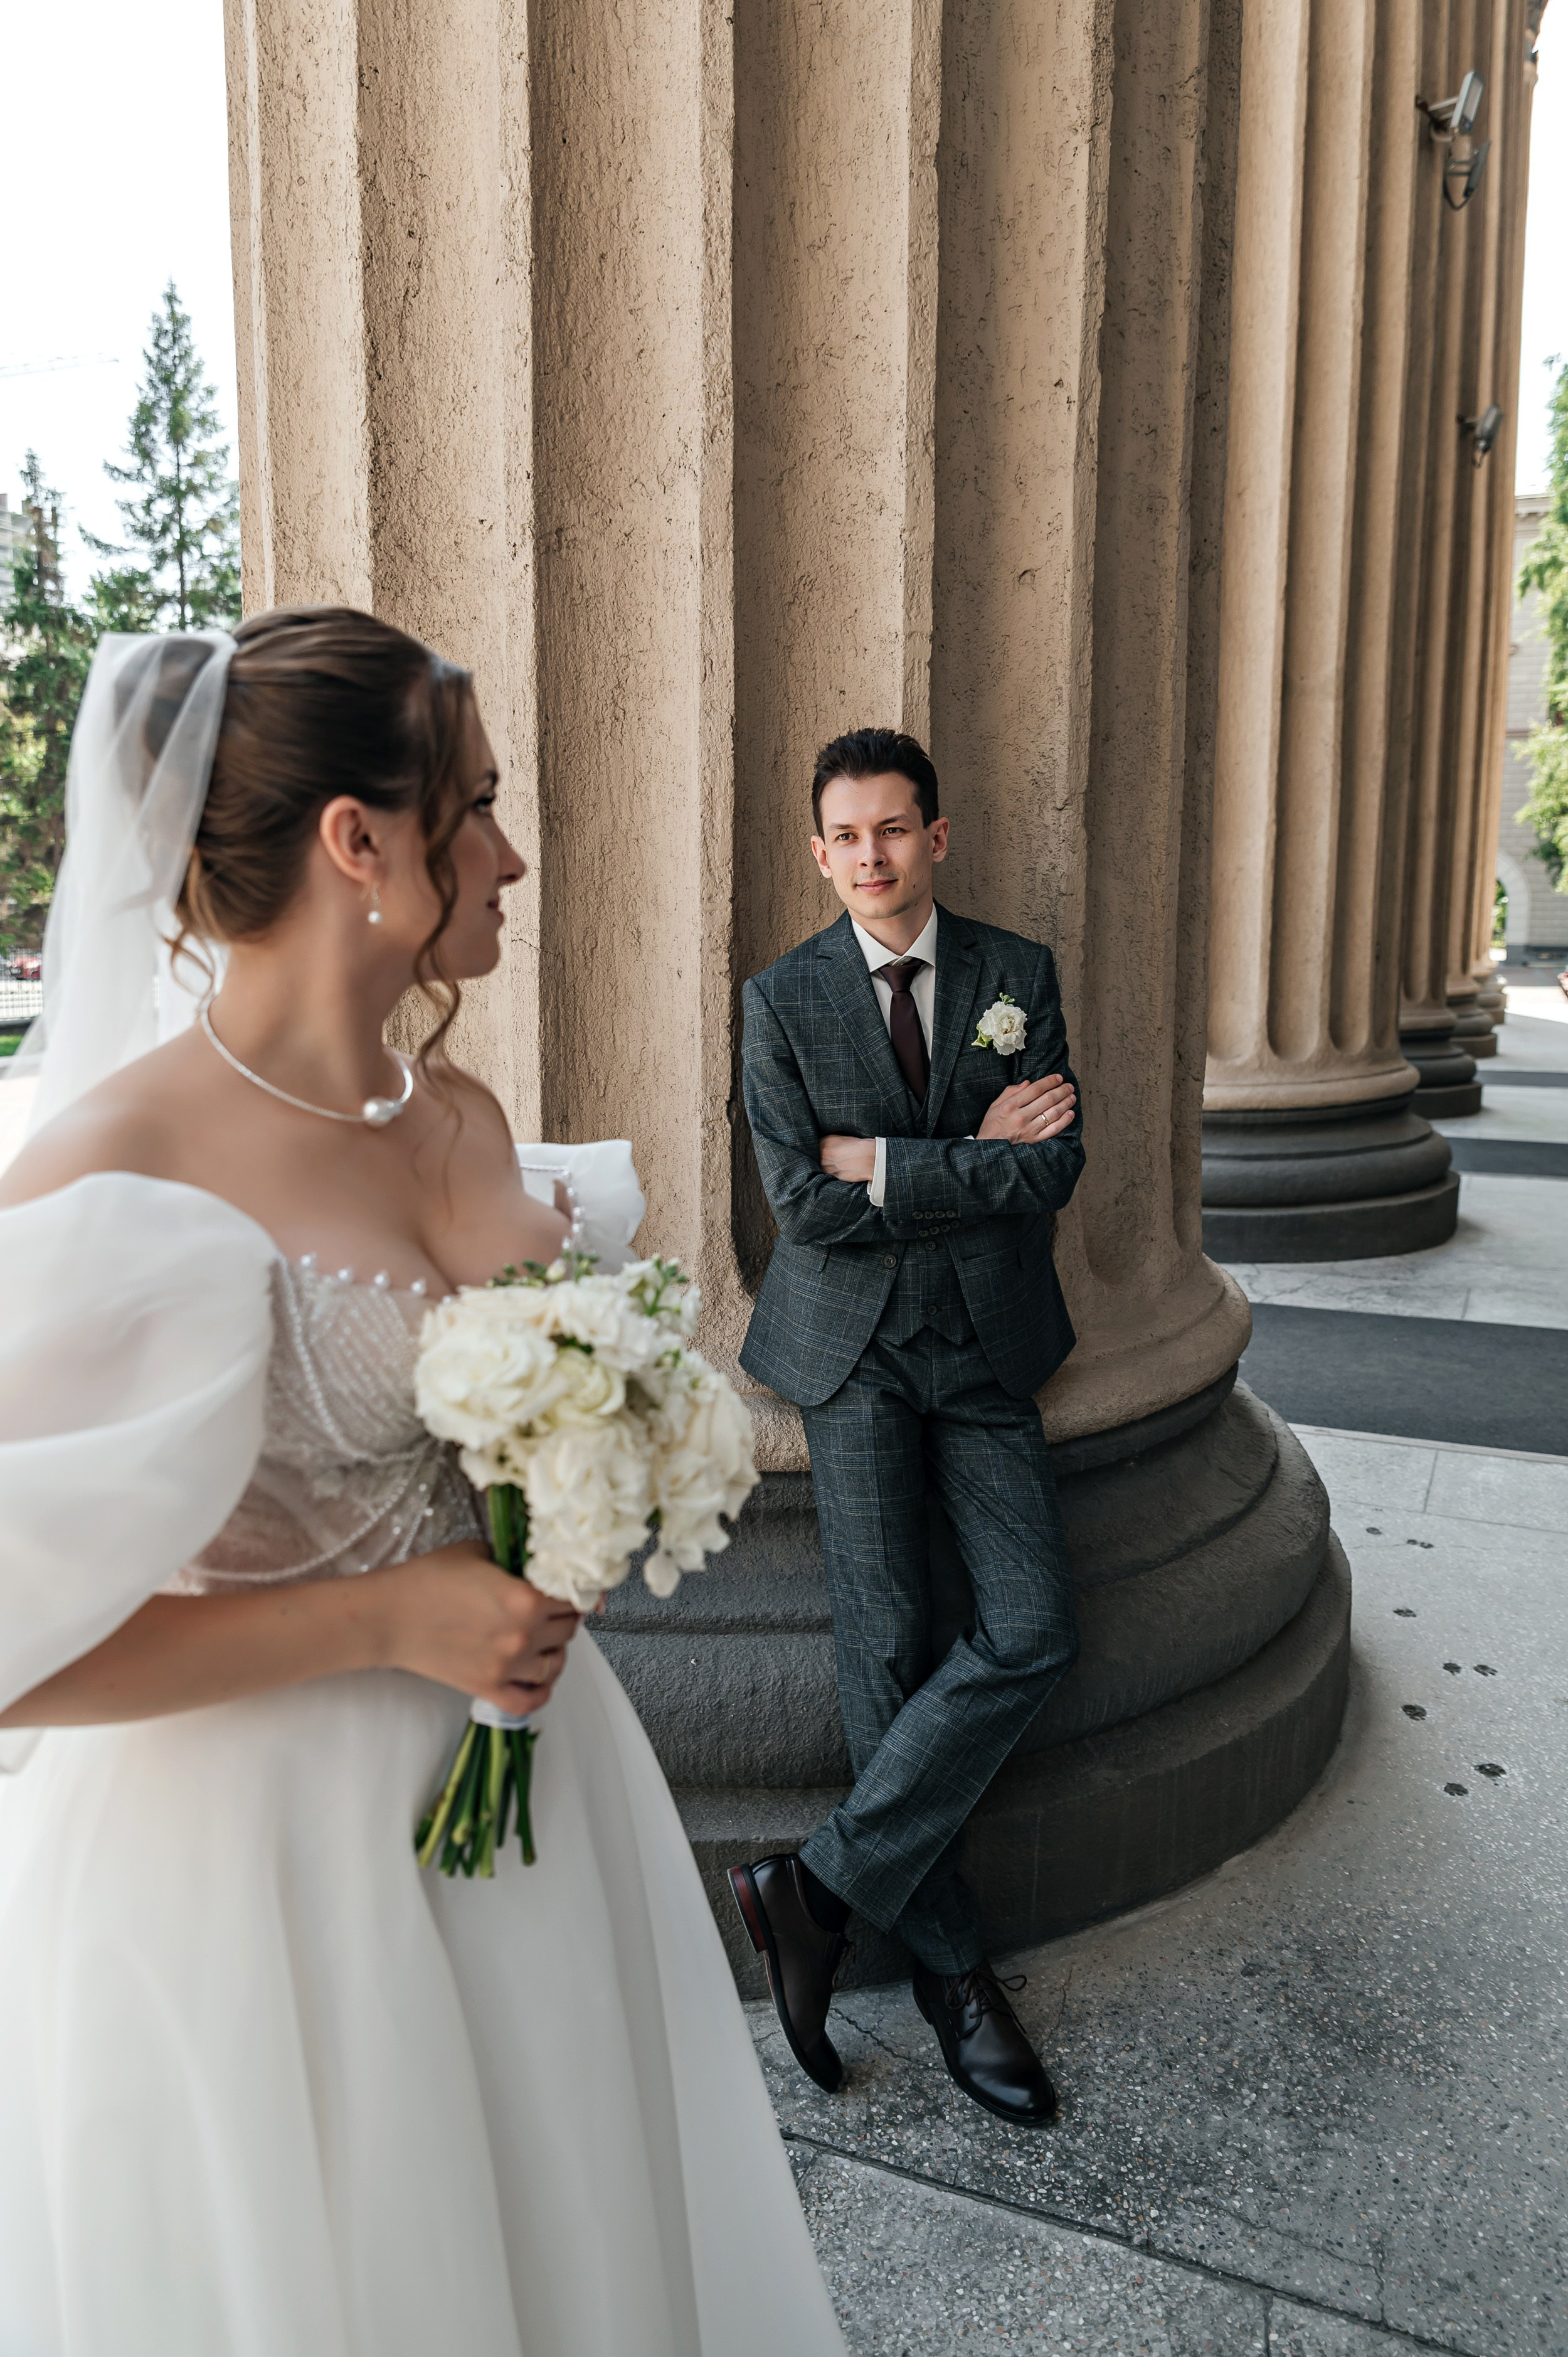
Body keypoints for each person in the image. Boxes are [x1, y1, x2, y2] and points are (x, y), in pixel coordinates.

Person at [0, 610, 846, 2357]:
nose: (511, 853)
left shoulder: (453, 1112)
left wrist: (594, 1491)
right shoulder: (117, 1164)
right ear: (356, 839)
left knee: (559, 2236)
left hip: (533, 1815)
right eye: (475, 805)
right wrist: (388, 1612)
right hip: (255, 1864)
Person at [729, 727, 1083, 2126]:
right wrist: (958, 1159)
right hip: (850, 1351)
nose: (870, 856)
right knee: (885, 1652)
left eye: (893, 829)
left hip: (988, 1343)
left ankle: (814, 1886)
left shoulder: (1016, 974)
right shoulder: (780, 998)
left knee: (1034, 1626)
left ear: (935, 836)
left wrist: (882, 1161)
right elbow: (799, 1206)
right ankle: (955, 1979)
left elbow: (1049, 1165)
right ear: (817, 854)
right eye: (845, 836)